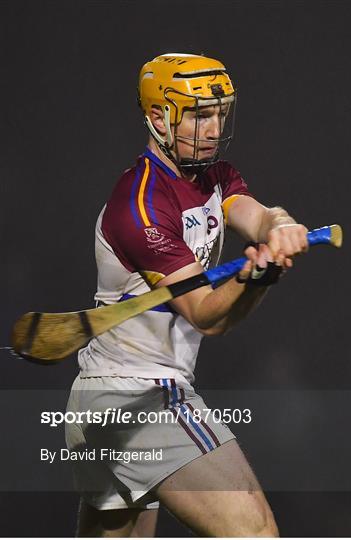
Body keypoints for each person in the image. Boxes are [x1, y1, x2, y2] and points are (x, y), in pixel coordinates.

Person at [65, 52, 308, 537]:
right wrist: (257, 278)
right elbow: (205, 315)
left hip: (99, 404)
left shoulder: (214, 178)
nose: (213, 127)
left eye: (219, 112)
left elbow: (257, 216)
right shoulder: (140, 206)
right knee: (255, 532)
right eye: (198, 115)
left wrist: (280, 226)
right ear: (158, 118)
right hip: (138, 396)